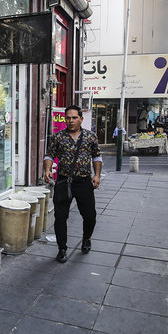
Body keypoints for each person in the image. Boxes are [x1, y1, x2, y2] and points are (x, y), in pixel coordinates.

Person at [44, 105, 103, 263]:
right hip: (64, 181)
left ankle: (86, 239)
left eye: (74, 117)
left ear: (81, 119)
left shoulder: (90, 137)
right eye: (68, 118)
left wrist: (97, 175)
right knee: (60, 217)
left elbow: (97, 157)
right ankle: (62, 249)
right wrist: (48, 170)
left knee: (90, 216)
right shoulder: (58, 137)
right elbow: (49, 155)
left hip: (84, 182)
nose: (71, 121)